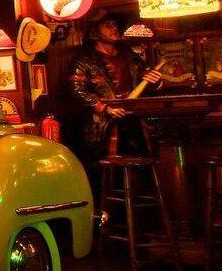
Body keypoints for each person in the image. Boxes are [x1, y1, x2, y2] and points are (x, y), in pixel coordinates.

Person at [68, 11, 163, 168]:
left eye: (114, 24)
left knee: (142, 163)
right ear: (93, 33)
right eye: (107, 25)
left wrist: (154, 81)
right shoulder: (84, 61)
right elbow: (77, 90)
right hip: (104, 125)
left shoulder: (131, 57)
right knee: (112, 168)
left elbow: (147, 83)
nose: (114, 28)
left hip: (134, 119)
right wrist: (104, 108)